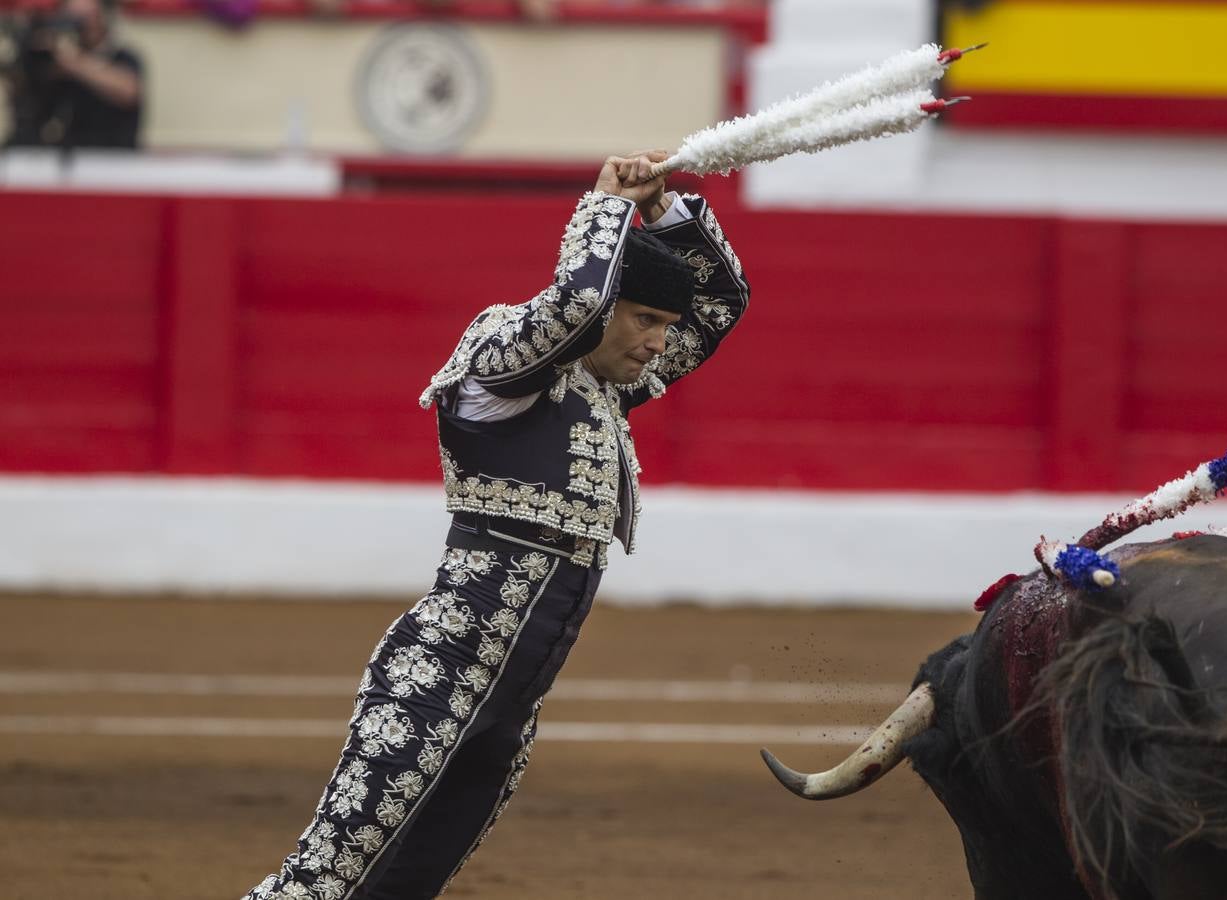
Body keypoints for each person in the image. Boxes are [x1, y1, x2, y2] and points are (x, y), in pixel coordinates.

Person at [244, 150, 750, 900]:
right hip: (435, 681)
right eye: (644, 320)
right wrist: (603, 205)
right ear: (609, 301)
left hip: (508, 705)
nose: (656, 344)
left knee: (398, 892)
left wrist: (659, 212)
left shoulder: (604, 386)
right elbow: (574, 308)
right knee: (320, 885)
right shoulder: (501, 353)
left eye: (661, 327)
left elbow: (719, 306)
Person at [4, 0, 143, 149]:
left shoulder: (123, 57)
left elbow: (129, 91)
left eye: (86, 17)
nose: (79, 24)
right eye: (71, 16)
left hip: (115, 155)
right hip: (66, 152)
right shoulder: (53, 59)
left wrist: (72, 62)